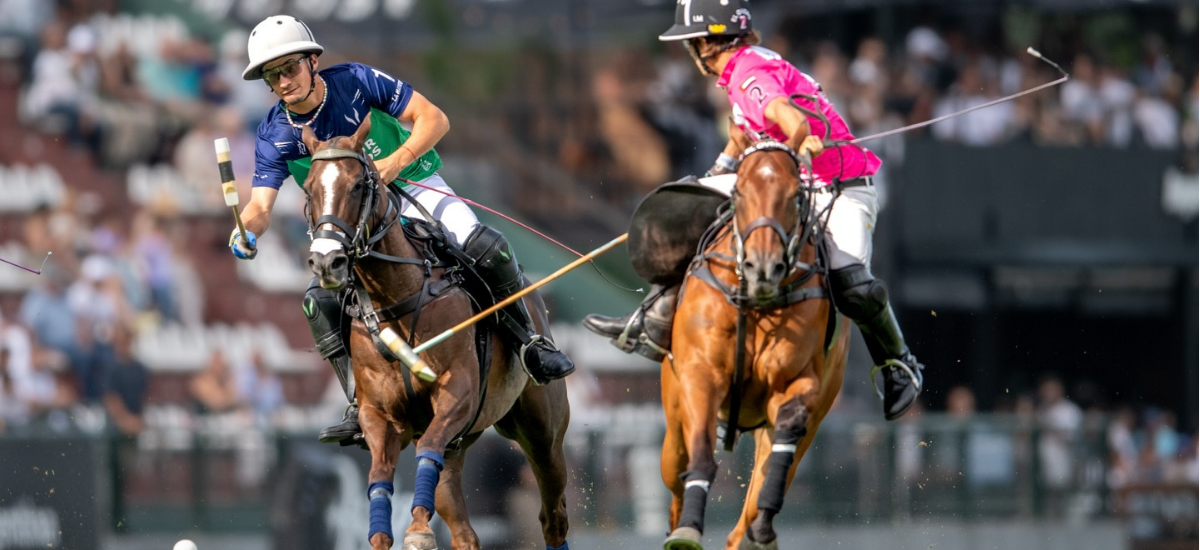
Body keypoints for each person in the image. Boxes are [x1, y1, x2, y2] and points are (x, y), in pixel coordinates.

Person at [229, 16, 574, 445]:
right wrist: (247, 230)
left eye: (289, 68)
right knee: (319, 302)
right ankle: (359, 401)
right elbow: (261, 206)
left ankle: (529, 343)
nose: (282, 82)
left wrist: (394, 163)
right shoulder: (274, 134)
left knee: (485, 246)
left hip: (413, 183)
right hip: (352, 222)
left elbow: (434, 119)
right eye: (270, 75)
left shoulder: (355, 80)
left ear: (313, 61)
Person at [583, 0, 924, 421]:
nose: (690, 51)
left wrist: (801, 136)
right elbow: (742, 136)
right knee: (688, 207)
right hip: (785, 182)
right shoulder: (740, 72)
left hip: (839, 183)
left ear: (708, 43)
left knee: (853, 282)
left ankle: (899, 364)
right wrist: (712, 179)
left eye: (692, 42)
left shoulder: (747, 73)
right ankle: (652, 316)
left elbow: (784, 113)